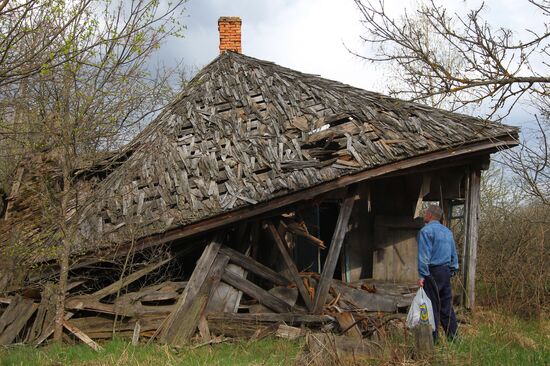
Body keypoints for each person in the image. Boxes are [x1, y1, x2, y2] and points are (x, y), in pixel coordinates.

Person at [417, 205, 458, 341]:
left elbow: (424, 257)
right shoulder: (448, 232)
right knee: (446, 306)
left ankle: (433, 340)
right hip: (445, 271)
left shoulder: (426, 231)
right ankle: (453, 338)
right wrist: (451, 270)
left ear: (429, 216)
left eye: (425, 213)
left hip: (432, 272)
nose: (424, 215)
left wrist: (422, 275)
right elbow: (454, 256)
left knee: (431, 305)